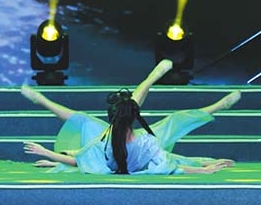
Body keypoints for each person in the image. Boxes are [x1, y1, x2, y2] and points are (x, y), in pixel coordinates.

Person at [21, 59, 241, 174]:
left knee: (84, 120)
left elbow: (79, 158)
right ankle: (216, 106)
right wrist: (202, 168)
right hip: (130, 144)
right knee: (175, 122)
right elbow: (171, 166)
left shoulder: (105, 142)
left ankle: (42, 100)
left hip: (119, 140)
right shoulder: (141, 142)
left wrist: (50, 155)